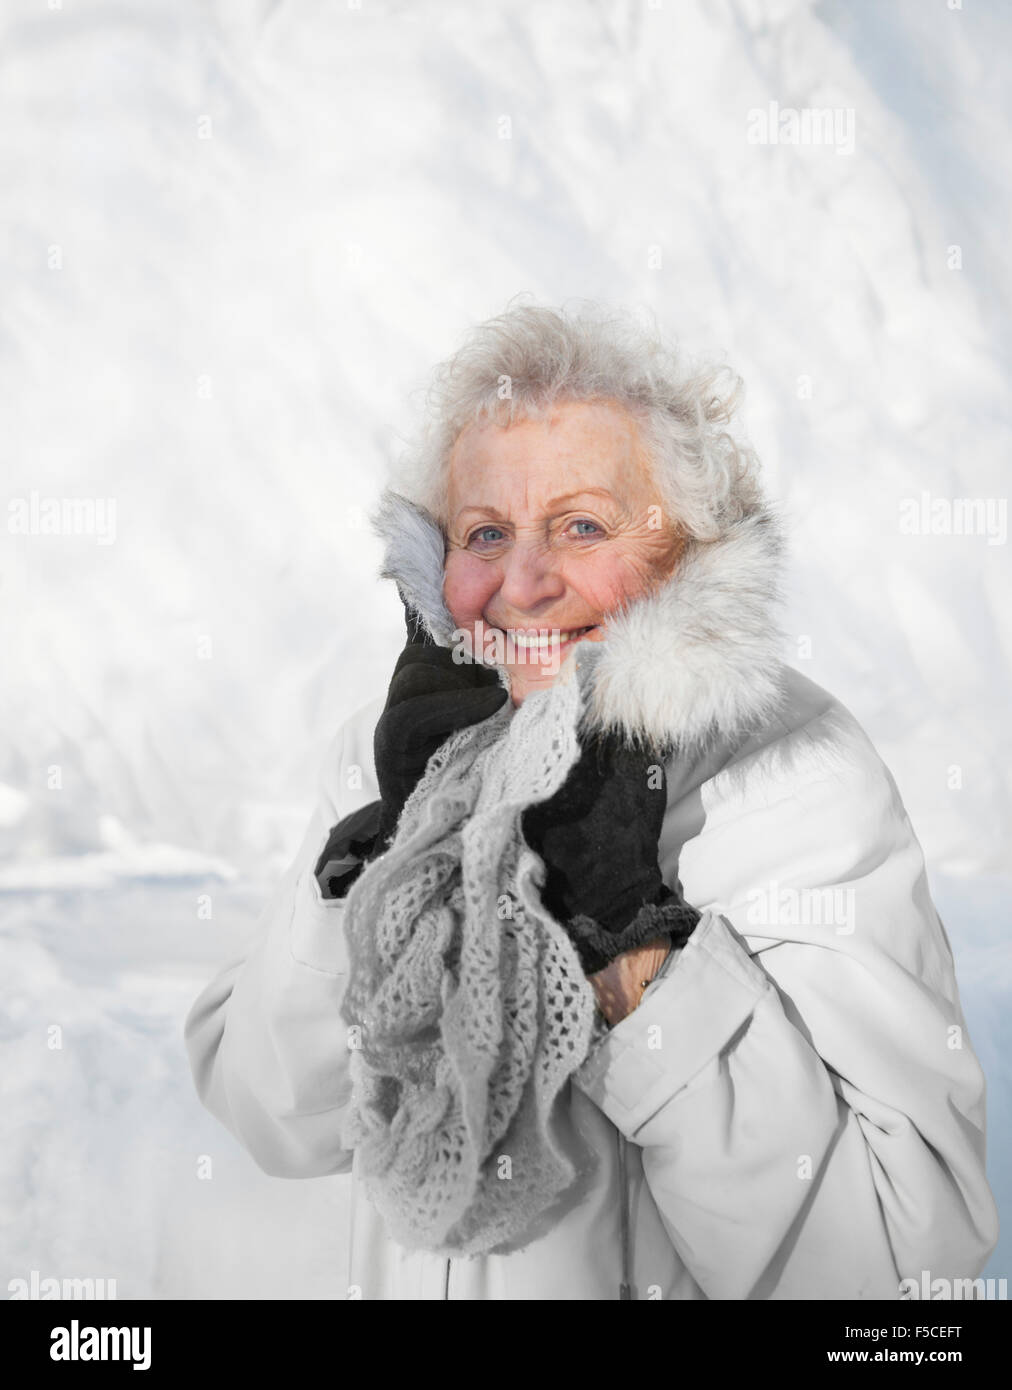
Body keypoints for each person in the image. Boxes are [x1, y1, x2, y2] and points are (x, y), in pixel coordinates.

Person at [183, 301, 998, 1300]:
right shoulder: (397, 747)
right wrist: (389, 852)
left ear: (685, 548)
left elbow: (894, 1273)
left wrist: (628, 943)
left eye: (580, 525)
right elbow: (278, 1116)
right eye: (485, 530)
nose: (523, 582)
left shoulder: (795, 772)